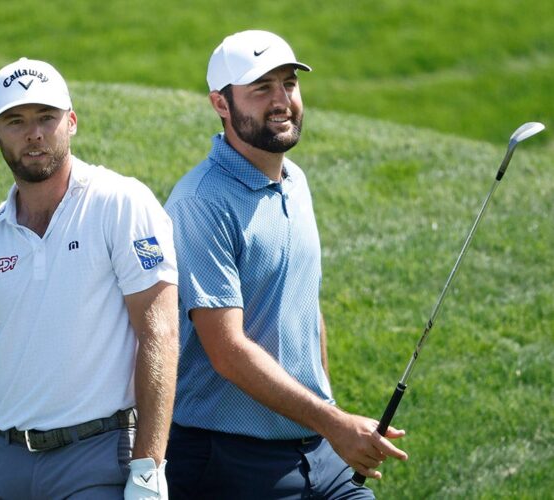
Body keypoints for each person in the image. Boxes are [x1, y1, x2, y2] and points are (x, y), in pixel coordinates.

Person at [163, 31, 408, 499]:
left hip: (316, 446)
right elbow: (228, 351)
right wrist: (334, 422)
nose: (282, 101)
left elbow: (305, 307)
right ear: (220, 103)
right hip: (230, 464)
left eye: (289, 84)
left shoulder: (295, 181)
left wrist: (327, 411)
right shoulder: (201, 203)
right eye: (261, 89)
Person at [0, 57, 178, 500]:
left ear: (71, 122)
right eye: (16, 120)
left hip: (98, 457)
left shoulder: (120, 203)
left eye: (46, 117)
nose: (34, 133)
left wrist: (149, 471)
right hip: (10, 465)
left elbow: (159, 333)